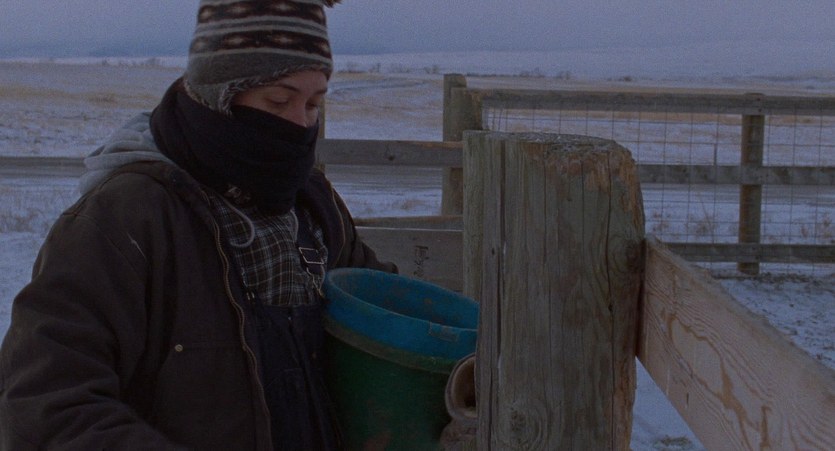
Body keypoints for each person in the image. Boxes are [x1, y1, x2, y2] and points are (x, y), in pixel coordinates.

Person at [0, 0, 396, 449]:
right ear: (219, 95)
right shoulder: (125, 219)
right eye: (278, 100)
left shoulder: (313, 207)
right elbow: (47, 405)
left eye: (313, 104)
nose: (299, 123)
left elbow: (387, 321)